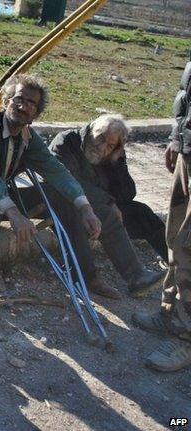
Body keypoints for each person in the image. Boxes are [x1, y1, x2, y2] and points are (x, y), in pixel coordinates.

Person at [0, 74, 107, 296]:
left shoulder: (28, 137)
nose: (22, 106)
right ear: (7, 101)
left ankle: (86, 274)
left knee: (57, 194)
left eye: (30, 103)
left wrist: (85, 208)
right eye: (18, 98)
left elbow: (57, 172)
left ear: (36, 114)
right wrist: (14, 214)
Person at [49, 114, 165, 298]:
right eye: (100, 137)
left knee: (140, 212)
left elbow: (127, 195)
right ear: (91, 128)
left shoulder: (109, 153)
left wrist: (117, 159)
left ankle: (178, 265)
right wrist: (109, 201)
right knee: (105, 213)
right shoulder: (66, 141)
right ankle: (132, 276)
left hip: (96, 202)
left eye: (110, 145)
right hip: (64, 201)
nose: (102, 146)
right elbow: (68, 182)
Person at [132, 56, 191, 372]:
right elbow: (187, 94)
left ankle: (187, 337)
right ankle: (170, 312)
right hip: (189, 152)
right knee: (175, 239)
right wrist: (177, 138)